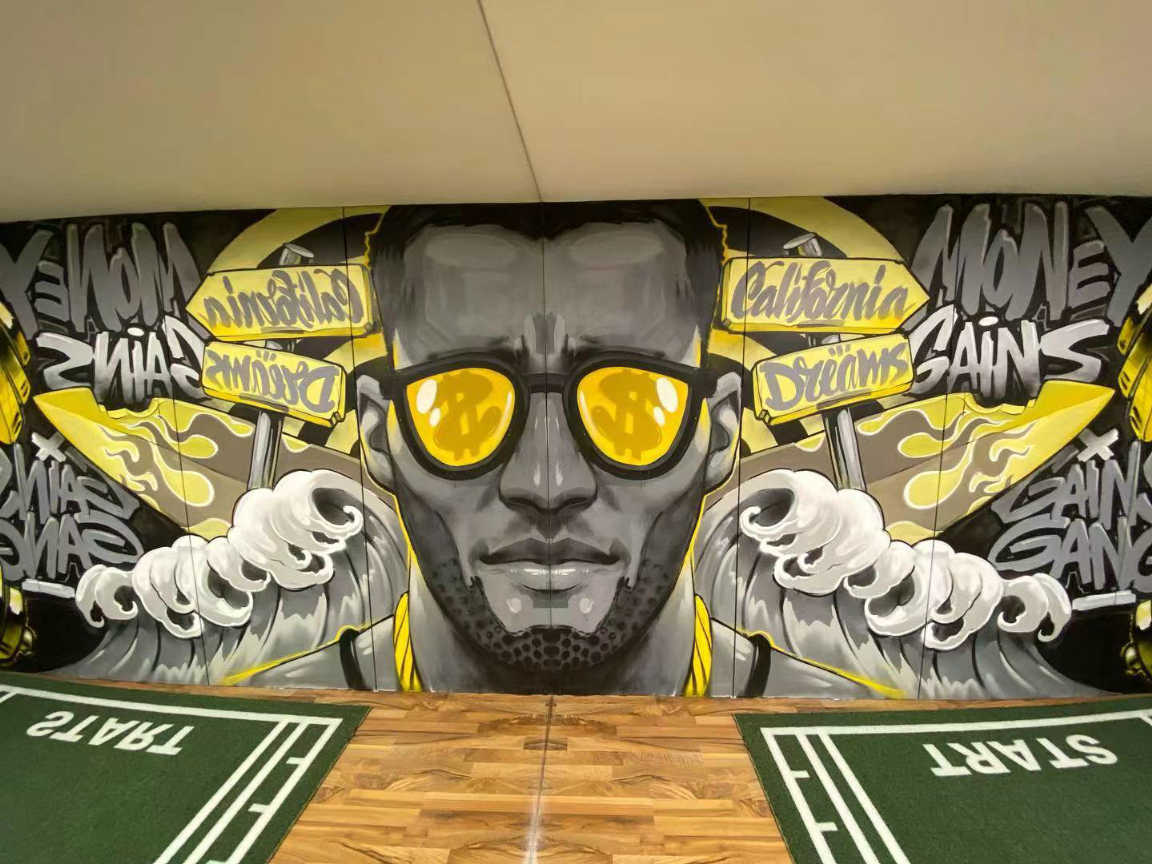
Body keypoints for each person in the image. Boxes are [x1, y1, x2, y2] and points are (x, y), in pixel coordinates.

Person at [245, 202, 872, 696]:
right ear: (380, 433)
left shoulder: (829, 716)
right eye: (461, 405)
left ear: (721, 433)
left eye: (631, 405)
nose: (547, 485)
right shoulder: (285, 715)